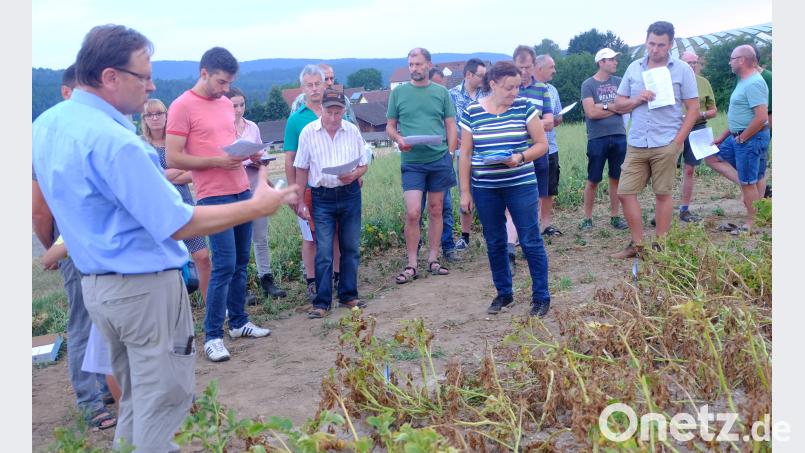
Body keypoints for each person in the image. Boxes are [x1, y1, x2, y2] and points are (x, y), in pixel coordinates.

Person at [32, 24, 297, 451]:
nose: (152, 85)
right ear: (110, 77)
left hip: (98, 287)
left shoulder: (46, 125)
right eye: (144, 75)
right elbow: (177, 222)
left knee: (136, 400)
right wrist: (257, 206)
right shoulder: (119, 143)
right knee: (162, 402)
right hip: (143, 294)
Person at [166, 47, 273, 363]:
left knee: (241, 262)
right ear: (204, 74)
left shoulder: (226, 104)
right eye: (222, 82)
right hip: (212, 195)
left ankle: (239, 322)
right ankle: (212, 334)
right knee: (223, 264)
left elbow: (227, 145)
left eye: (230, 83)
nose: (226, 90)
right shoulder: (182, 106)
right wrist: (216, 161)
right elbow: (173, 157)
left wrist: (249, 154)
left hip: (241, 188)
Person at [31, 63, 117, 431]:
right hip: (75, 249)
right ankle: (90, 399)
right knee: (84, 321)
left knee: (108, 320)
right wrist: (55, 248)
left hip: (103, 246)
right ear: (69, 93)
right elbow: (39, 208)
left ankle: (106, 385)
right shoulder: (48, 138)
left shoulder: (92, 131)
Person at [458, 61, 551, 317]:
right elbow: (465, 154)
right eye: (509, 88)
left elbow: (541, 144)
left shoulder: (525, 107)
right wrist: (465, 192)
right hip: (486, 187)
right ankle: (504, 293)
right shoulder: (472, 112)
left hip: (520, 184)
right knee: (495, 240)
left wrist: (520, 157)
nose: (515, 93)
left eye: (518, 87)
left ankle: (541, 297)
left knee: (531, 239)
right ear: (493, 84)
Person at [611, 21, 699, 258]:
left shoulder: (682, 69)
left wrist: (678, 142)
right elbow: (619, 105)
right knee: (625, 192)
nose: (655, 49)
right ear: (646, 41)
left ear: (670, 44)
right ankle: (638, 246)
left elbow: (693, 108)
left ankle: (661, 246)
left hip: (666, 141)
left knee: (663, 194)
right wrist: (637, 99)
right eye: (651, 43)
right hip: (637, 141)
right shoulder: (633, 68)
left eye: (661, 44)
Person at [294, 89, 370, 318]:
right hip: (322, 196)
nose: (334, 117)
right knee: (324, 250)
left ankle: (348, 295)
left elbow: (364, 163)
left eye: (338, 113)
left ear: (344, 111)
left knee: (350, 247)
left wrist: (355, 174)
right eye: (330, 112)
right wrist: (300, 201)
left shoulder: (352, 131)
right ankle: (322, 301)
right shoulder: (308, 132)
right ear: (322, 109)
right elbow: (301, 167)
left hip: (349, 194)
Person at [386, 47, 458, 284]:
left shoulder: (441, 92)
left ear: (428, 64)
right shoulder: (399, 94)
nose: (414, 69)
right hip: (412, 161)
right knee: (413, 212)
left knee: (437, 209)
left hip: (438, 159)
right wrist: (399, 140)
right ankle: (411, 263)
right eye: (411, 65)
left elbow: (450, 124)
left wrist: (450, 151)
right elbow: (390, 126)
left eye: (418, 64)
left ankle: (434, 259)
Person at [141, 98, 213, 302]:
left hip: (185, 206)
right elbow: (147, 179)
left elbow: (194, 172)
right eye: (150, 114)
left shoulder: (178, 142)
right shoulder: (141, 146)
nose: (155, 118)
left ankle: (211, 304)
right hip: (158, 211)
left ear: (166, 115)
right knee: (167, 265)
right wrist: (177, 170)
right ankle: (175, 308)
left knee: (202, 257)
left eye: (159, 113)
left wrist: (163, 174)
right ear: (144, 119)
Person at [225, 87, 287, 299]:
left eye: (242, 104)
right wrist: (245, 158)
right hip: (233, 185)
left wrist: (261, 159)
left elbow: (261, 152)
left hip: (254, 183)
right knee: (237, 240)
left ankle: (266, 278)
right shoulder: (222, 128)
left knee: (260, 235)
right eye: (234, 105)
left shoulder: (252, 126)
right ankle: (240, 286)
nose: (239, 109)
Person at [705, 44, 770, 233]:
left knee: (749, 181)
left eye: (732, 59)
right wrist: (722, 137)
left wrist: (742, 139)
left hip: (750, 139)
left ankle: (751, 224)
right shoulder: (743, 80)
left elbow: (761, 117)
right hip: (740, 137)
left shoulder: (754, 83)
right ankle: (758, 213)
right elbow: (740, 115)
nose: (729, 62)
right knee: (715, 156)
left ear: (742, 60)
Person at [284, 64, 328, 301]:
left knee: (335, 235)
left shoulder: (334, 111)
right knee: (310, 237)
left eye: (317, 84)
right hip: (308, 188)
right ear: (303, 88)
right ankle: (312, 281)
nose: (314, 89)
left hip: (334, 185)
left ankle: (336, 277)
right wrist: (294, 192)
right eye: (309, 85)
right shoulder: (296, 120)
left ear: (324, 84)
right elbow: (290, 158)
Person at [508, 45, 554, 266]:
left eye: (527, 67)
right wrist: (534, 125)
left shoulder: (542, 89)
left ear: (534, 66)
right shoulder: (509, 89)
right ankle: (511, 242)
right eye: (520, 67)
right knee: (512, 201)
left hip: (537, 152)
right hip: (514, 153)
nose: (524, 71)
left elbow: (550, 121)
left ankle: (529, 242)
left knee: (534, 200)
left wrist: (526, 126)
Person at [579, 48, 630, 231]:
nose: (616, 62)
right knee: (593, 179)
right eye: (612, 59)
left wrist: (603, 106)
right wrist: (612, 106)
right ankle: (587, 218)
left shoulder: (620, 82)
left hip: (619, 135)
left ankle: (615, 217)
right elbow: (591, 112)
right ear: (601, 62)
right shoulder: (588, 84)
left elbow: (625, 108)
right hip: (597, 138)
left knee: (616, 177)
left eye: (616, 59)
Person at [449, 58, 487, 251]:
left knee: (487, 191)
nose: (484, 78)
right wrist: (457, 139)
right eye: (481, 75)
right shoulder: (452, 95)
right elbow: (447, 123)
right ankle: (465, 235)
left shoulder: (488, 93)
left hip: (485, 151)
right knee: (466, 192)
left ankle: (491, 230)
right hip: (463, 152)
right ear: (469, 75)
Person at [677, 51, 718, 222]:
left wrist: (698, 115)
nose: (693, 66)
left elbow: (713, 111)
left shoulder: (704, 83)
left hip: (697, 129)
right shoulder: (673, 82)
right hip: (674, 130)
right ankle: (661, 209)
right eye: (688, 63)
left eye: (695, 62)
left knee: (689, 169)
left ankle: (684, 209)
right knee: (665, 170)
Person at [534, 54, 563, 236]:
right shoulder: (525, 90)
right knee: (532, 190)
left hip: (550, 146)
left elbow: (558, 115)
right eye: (551, 67)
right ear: (540, 68)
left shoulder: (552, 90)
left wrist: (557, 119)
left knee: (549, 188)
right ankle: (531, 227)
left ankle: (545, 226)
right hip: (531, 149)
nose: (554, 70)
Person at [290, 63, 355, 124]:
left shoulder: (342, 99)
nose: (330, 83)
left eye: (331, 78)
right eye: (326, 79)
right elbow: (293, 125)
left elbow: (353, 125)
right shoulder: (300, 101)